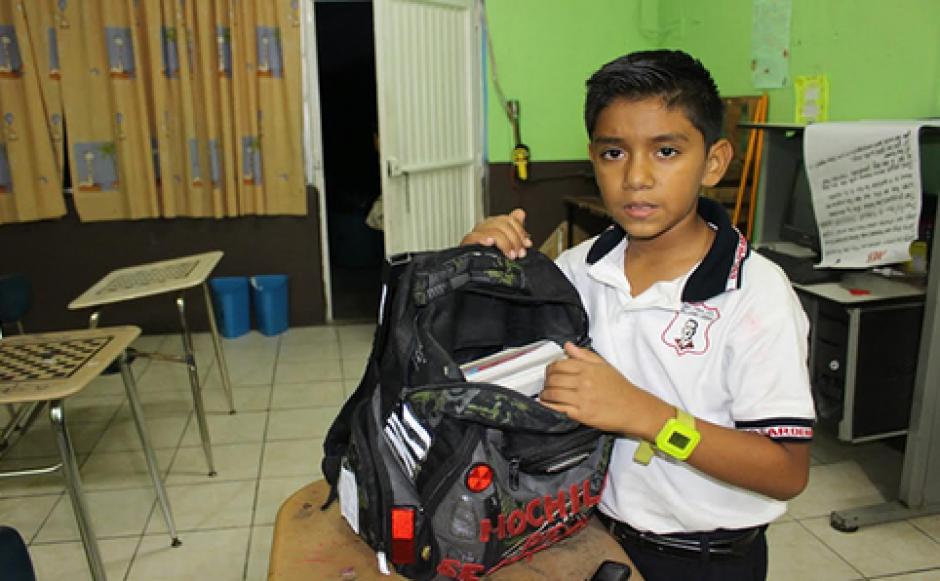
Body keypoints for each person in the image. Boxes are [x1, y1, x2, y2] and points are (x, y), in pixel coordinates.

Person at [462, 50, 815, 581]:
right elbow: (498, 373)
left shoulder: (756, 295)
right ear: (593, 158)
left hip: (706, 559)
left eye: (666, 151)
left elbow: (786, 471)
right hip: (591, 531)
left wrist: (648, 416)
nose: (636, 177)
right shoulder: (577, 269)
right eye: (614, 153)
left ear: (713, 162)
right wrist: (477, 271)